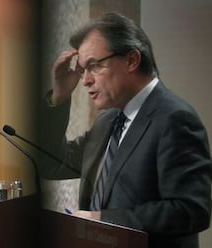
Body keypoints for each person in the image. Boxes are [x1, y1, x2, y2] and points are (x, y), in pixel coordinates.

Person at [39, 12, 211, 247]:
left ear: (131, 60)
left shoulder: (175, 118)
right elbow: (52, 163)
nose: (85, 80)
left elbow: (191, 210)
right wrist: (59, 98)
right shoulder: (108, 120)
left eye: (94, 66)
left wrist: (104, 221)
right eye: (82, 70)